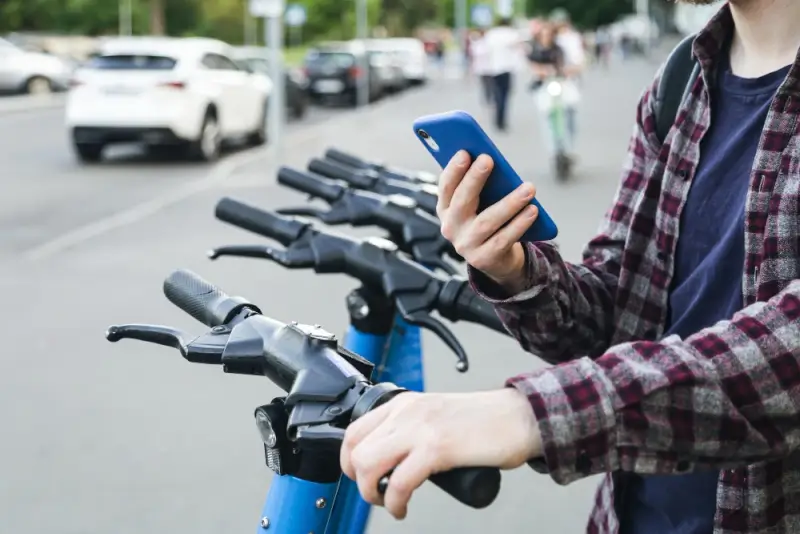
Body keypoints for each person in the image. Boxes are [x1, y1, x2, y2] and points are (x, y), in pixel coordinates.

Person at [339, 1, 800, 533]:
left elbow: (785, 354)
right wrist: (514, 268)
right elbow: (616, 313)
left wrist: (527, 415)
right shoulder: (681, 80)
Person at [527, 23, 579, 162]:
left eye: (549, 35)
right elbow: (533, 67)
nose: (546, 38)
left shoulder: (559, 49)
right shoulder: (535, 51)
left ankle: (569, 147)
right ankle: (553, 149)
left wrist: (568, 70)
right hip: (544, 85)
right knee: (546, 114)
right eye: (543, 35)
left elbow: (568, 65)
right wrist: (542, 71)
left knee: (570, 108)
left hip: (560, 82)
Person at [481, 17, 524, 132]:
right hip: (507, 69)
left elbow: (486, 50)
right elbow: (519, 48)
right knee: (505, 96)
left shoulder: (491, 34)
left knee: (497, 95)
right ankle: (502, 120)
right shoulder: (511, 34)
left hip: (494, 68)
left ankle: (497, 119)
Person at [469, 29, 494, 106]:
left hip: (486, 68)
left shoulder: (478, 44)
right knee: (488, 84)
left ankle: (488, 97)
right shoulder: (482, 44)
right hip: (486, 68)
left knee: (487, 84)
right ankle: (488, 97)